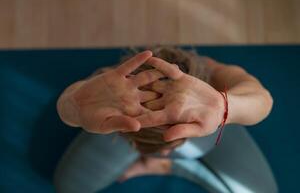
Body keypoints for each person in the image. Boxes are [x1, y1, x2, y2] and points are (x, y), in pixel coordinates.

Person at [54, 47, 277, 193]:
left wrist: (225, 106)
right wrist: (73, 106)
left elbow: (263, 100)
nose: (167, 151)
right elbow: (70, 103)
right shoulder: (112, 92)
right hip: (122, 130)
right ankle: (162, 165)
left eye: (170, 148)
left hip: (212, 123)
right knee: (68, 188)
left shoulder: (211, 78)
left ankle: (165, 167)